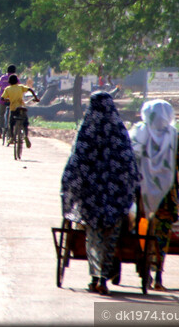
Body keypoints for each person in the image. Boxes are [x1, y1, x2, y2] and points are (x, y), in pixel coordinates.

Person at [60, 91, 140, 296]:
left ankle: (96, 277)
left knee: (93, 237)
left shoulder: (86, 130)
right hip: (115, 198)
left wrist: (70, 186)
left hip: (91, 196)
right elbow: (128, 163)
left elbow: (76, 160)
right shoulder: (119, 130)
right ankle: (102, 277)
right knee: (111, 237)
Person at [129, 99, 179, 291]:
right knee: (162, 234)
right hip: (166, 196)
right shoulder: (176, 136)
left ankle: (142, 265)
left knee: (139, 227)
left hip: (140, 193)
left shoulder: (139, 132)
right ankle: (158, 276)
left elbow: (131, 158)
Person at [1, 74, 39, 148]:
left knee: (11, 123)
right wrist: (35, 97)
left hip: (13, 109)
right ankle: (25, 135)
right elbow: (30, 89)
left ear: (9, 82)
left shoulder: (8, 89)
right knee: (25, 122)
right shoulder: (21, 87)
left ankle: (11, 137)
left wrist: (7, 100)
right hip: (21, 107)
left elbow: (2, 98)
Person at [0, 65, 17, 138]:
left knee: (1, 115)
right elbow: (19, 86)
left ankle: (0, 132)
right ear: (14, 71)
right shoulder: (15, 78)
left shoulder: (3, 78)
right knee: (13, 115)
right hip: (12, 99)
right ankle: (11, 132)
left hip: (3, 99)